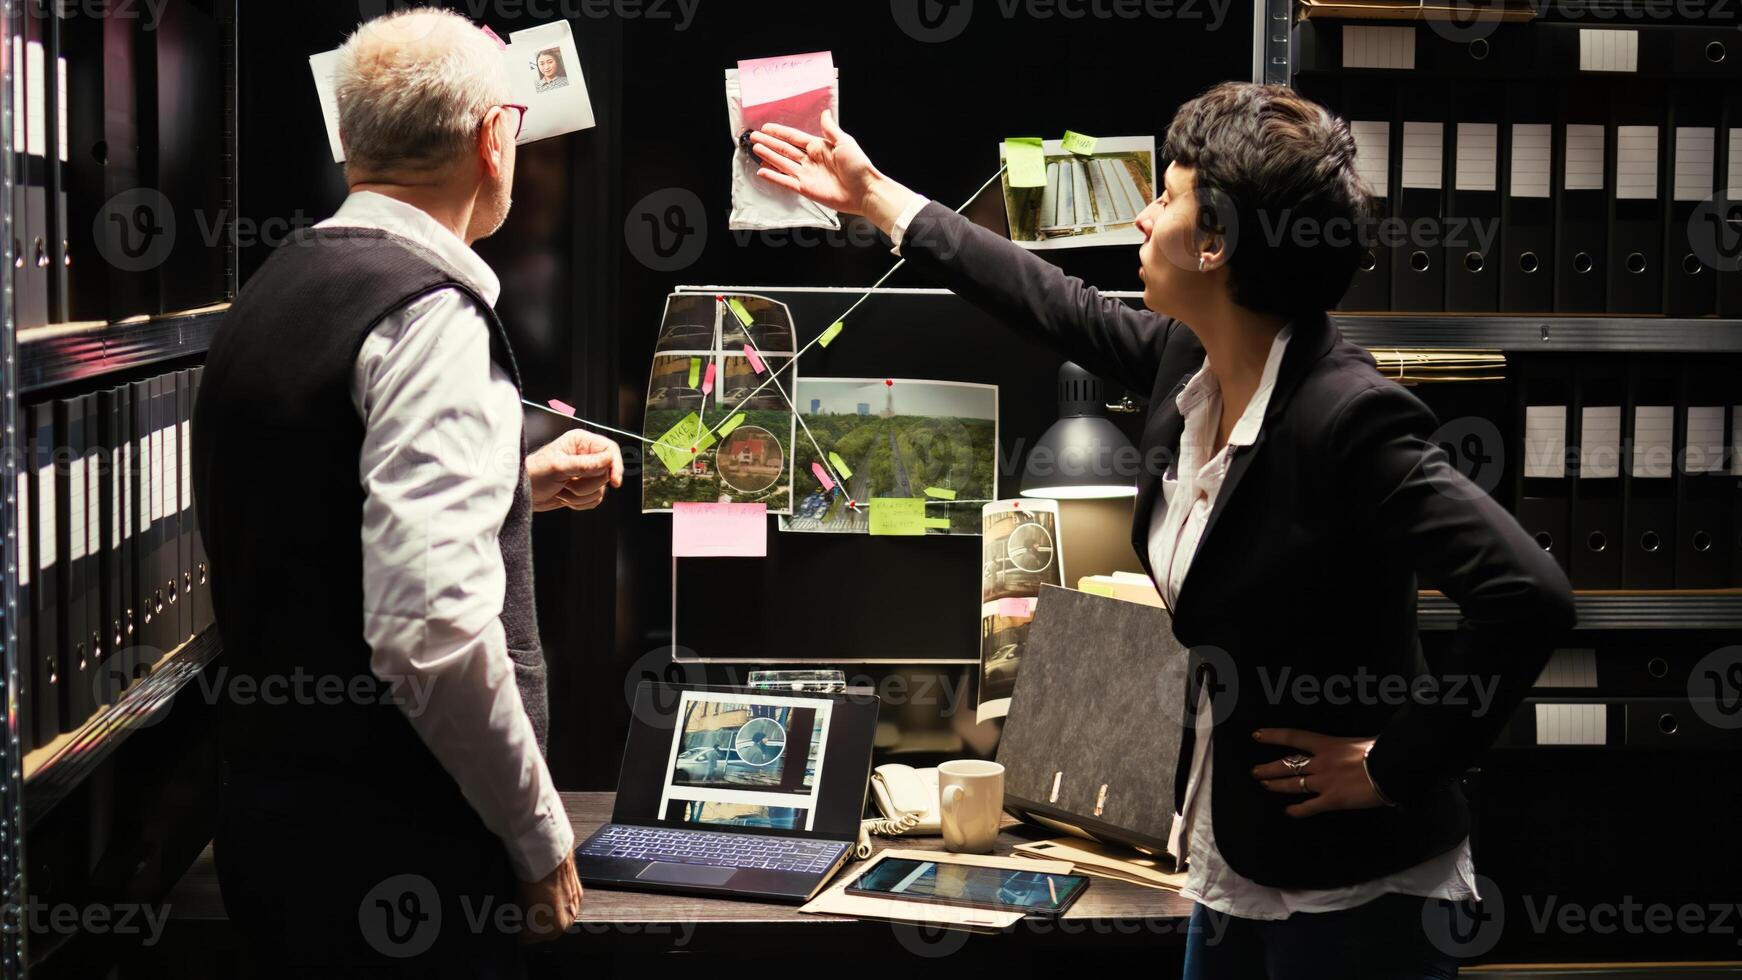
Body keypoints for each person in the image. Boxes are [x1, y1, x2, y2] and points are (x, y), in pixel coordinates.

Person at [750, 83, 1575, 978]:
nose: (1143, 218)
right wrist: (874, 196)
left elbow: (1528, 596)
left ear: (1215, 242)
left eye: (1169, 196)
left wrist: (1393, 765)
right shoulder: (1194, 361)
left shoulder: (1346, 420)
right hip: (1235, 851)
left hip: (1358, 886)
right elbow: (1048, 300)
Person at [191, 9, 619, 975]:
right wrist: (539, 833)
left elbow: (307, 502)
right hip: (405, 868)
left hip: (276, 841)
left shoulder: (281, 282)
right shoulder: (430, 318)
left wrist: (513, 487)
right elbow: (430, 634)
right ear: (494, 138)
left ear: (352, 141)